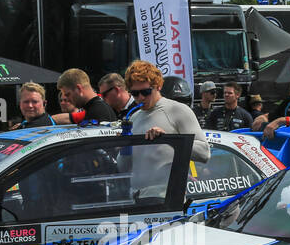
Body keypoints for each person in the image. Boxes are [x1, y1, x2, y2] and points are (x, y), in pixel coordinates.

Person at [126, 60, 210, 196]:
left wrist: (169, 139)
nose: (140, 97)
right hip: (136, 198)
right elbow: (124, 167)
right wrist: (122, 148)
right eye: (135, 94)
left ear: (158, 86)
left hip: (166, 199)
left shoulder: (178, 110)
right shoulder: (134, 118)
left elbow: (204, 153)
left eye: (146, 92)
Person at [53, 68, 117, 125]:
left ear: (79, 88)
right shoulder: (95, 108)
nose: (67, 99)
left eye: (68, 94)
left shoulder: (97, 112)